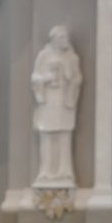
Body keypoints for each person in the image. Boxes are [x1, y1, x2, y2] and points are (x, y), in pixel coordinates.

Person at [30, 25, 82, 188]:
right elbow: (35, 77)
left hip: (64, 100)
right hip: (48, 100)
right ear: (54, 40)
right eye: (62, 38)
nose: (65, 41)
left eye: (66, 38)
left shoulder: (72, 58)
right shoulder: (43, 56)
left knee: (63, 135)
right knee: (47, 135)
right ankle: (46, 171)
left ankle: (64, 172)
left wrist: (69, 77)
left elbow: (77, 78)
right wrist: (46, 78)